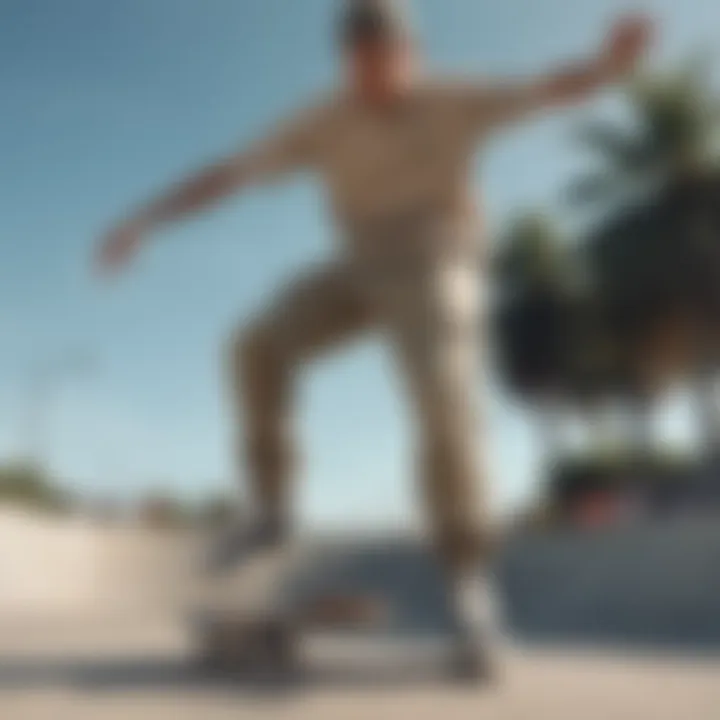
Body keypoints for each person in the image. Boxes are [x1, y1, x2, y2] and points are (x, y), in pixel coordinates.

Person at [97, 0, 653, 678]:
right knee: (255, 346)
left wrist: (606, 65)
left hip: (437, 254)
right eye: (363, 67)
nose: (378, 80)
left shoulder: (453, 97)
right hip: (359, 262)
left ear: (410, 53)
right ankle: (272, 506)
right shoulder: (322, 118)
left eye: (389, 62)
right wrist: (143, 219)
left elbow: (545, 89)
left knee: (444, 394)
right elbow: (230, 174)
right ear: (346, 62)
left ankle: (467, 580)